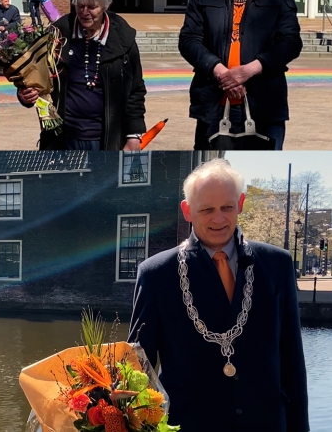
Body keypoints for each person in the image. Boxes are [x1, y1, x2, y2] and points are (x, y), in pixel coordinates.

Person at [128, 158, 309, 431]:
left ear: (241, 203)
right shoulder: (157, 274)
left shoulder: (277, 265)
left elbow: (293, 361)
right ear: (187, 211)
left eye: (227, 207)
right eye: (207, 209)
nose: (218, 218)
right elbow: (138, 368)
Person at [179, 0, 302, 151]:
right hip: (213, 103)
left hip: (264, 104)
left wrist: (248, 71)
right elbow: (188, 40)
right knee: (211, 170)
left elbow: (291, 42)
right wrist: (221, 73)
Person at [17, 0, 146, 151]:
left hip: (108, 140)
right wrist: (25, 94)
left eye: (92, 7)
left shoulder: (124, 39)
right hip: (62, 139)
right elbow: (35, 78)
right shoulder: (58, 34)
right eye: (80, 6)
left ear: (105, 5)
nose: (84, 12)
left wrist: (134, 135)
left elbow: (135, 91)